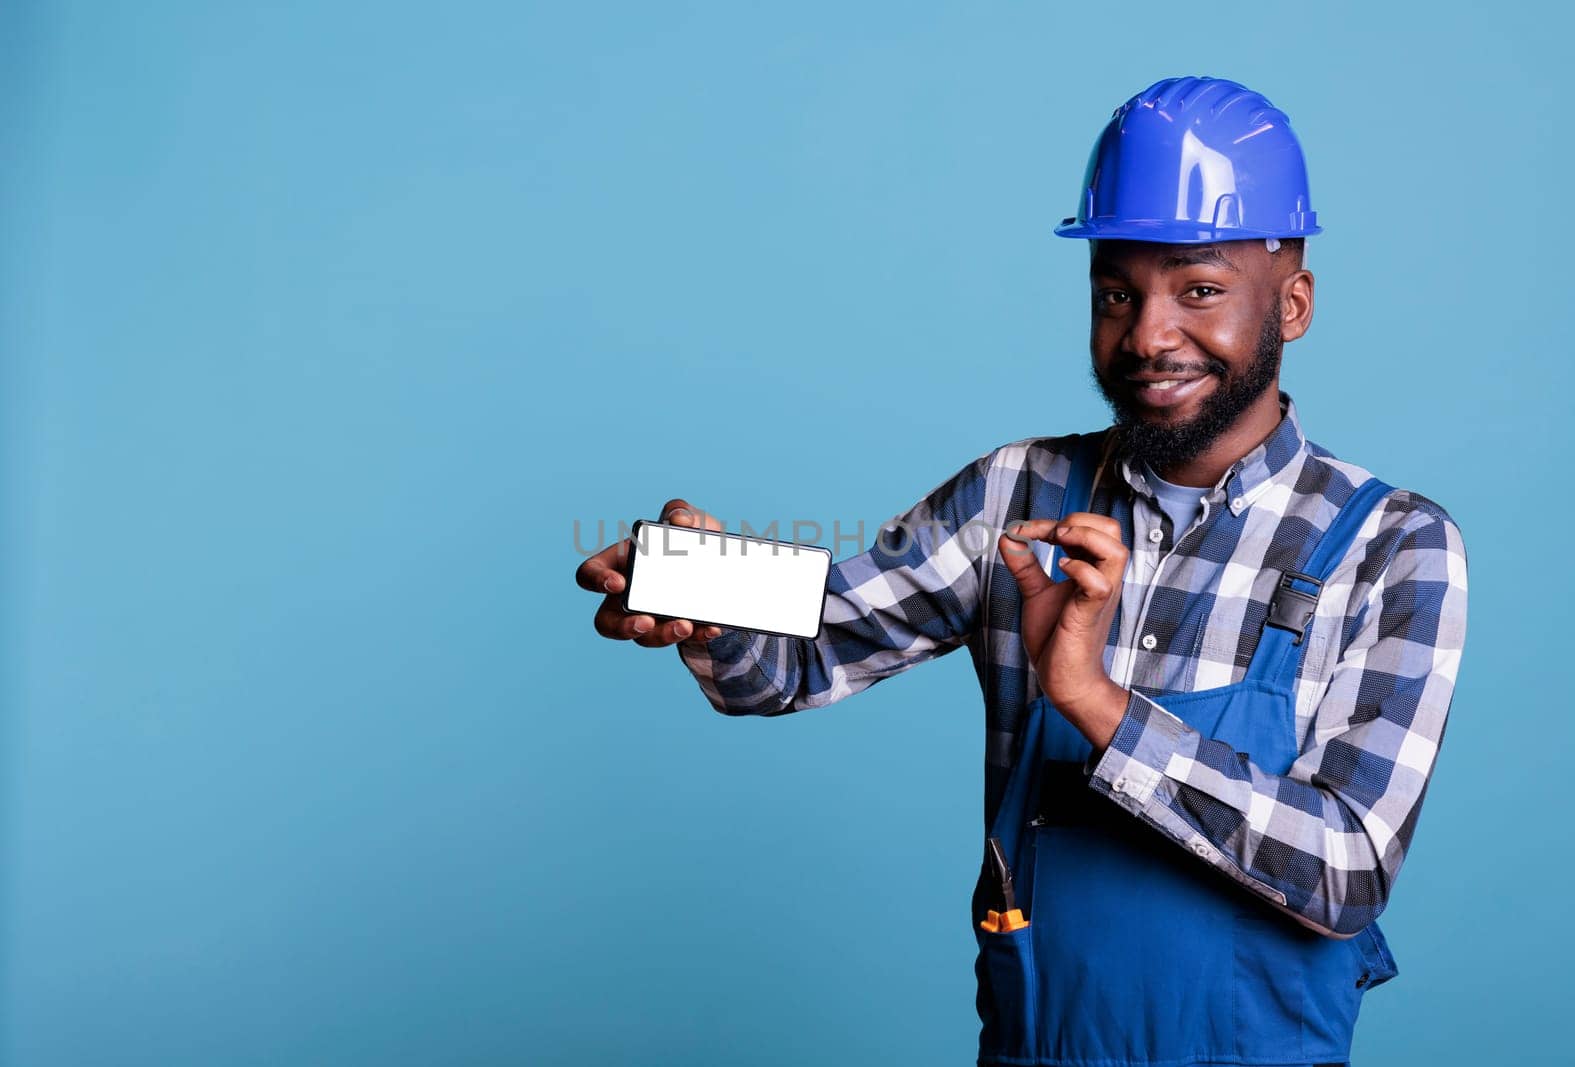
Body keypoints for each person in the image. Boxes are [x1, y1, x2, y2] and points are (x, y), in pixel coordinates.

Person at [574, 75, 1468, 1067]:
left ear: (1291, 302)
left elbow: (1345, 870)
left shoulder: (1391, 547)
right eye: (1115, 294)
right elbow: (812, 642)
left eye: (1199, 290)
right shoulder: (1019, 489)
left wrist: (1096, 702)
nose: (1148, 335)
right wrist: (707, 596)